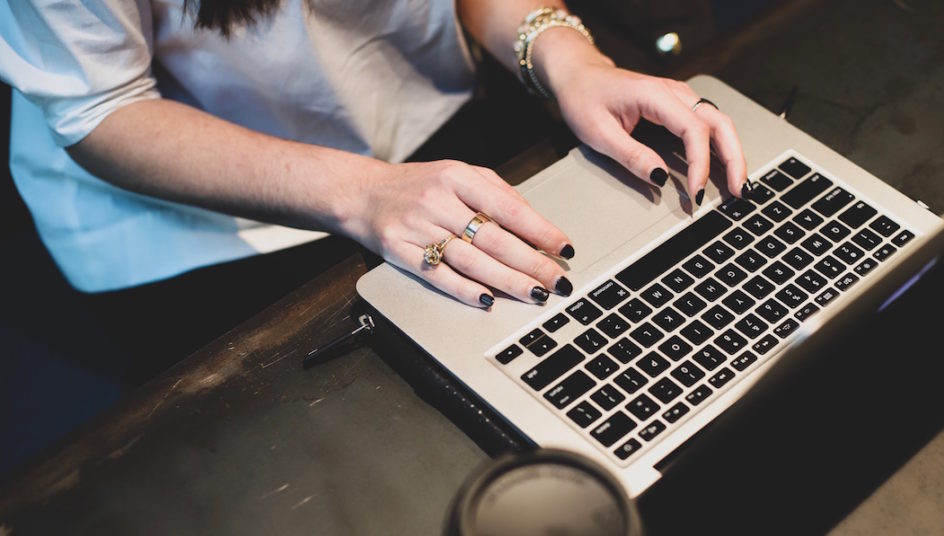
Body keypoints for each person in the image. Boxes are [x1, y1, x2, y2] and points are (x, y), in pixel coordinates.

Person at [2, 0, 747, 379]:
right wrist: (364, 194)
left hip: (429, 108)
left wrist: (565, 56)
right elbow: (102, 106)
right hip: (199, 222)